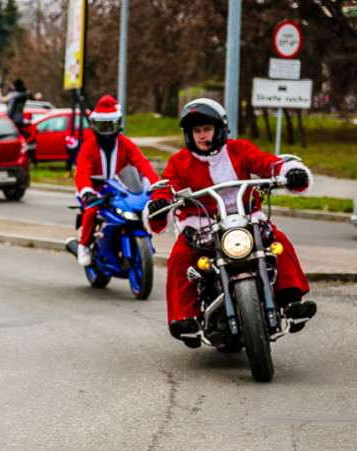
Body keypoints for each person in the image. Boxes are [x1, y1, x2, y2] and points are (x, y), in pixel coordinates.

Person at [146, 98, 316, 344]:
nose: (202, 136)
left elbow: (265, 162)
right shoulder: (179, 162)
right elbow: (167, 187)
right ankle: (186, 318)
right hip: (201, 227)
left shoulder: (240, 149)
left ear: (219, 129)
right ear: (188, 134)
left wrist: (288, 172)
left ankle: (291, 301)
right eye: (197, 131)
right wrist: (159, 204)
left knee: (278, 240)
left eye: (207, 129)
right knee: (180, 257)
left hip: (247, 220)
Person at [73, 95, 159, 266]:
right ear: (94, 125)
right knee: (91, 210)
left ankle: (143, 240)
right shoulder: (88, 147)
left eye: (109, 125)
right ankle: (84, 246)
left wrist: (156, 184)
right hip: (93, 189)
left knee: (139, 208)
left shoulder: (126, 144)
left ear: (117, 124)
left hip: (118, 187)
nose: (106, 130)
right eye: (102, 125)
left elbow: (142, 163)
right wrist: (87, 192)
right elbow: (82, 173)